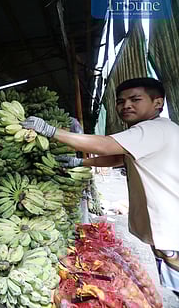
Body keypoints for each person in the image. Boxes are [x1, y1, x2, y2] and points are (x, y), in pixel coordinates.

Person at [21, 77, 179, 296]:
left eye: (135, 99)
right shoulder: (154, 132)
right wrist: (81, 162)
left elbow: (106, 146)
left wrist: (51, 131)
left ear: (158, 103)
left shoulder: (152, 129)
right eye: (121, 101)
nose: (126, 106)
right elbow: (119, 157)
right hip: (169, 226)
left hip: (173, 227)